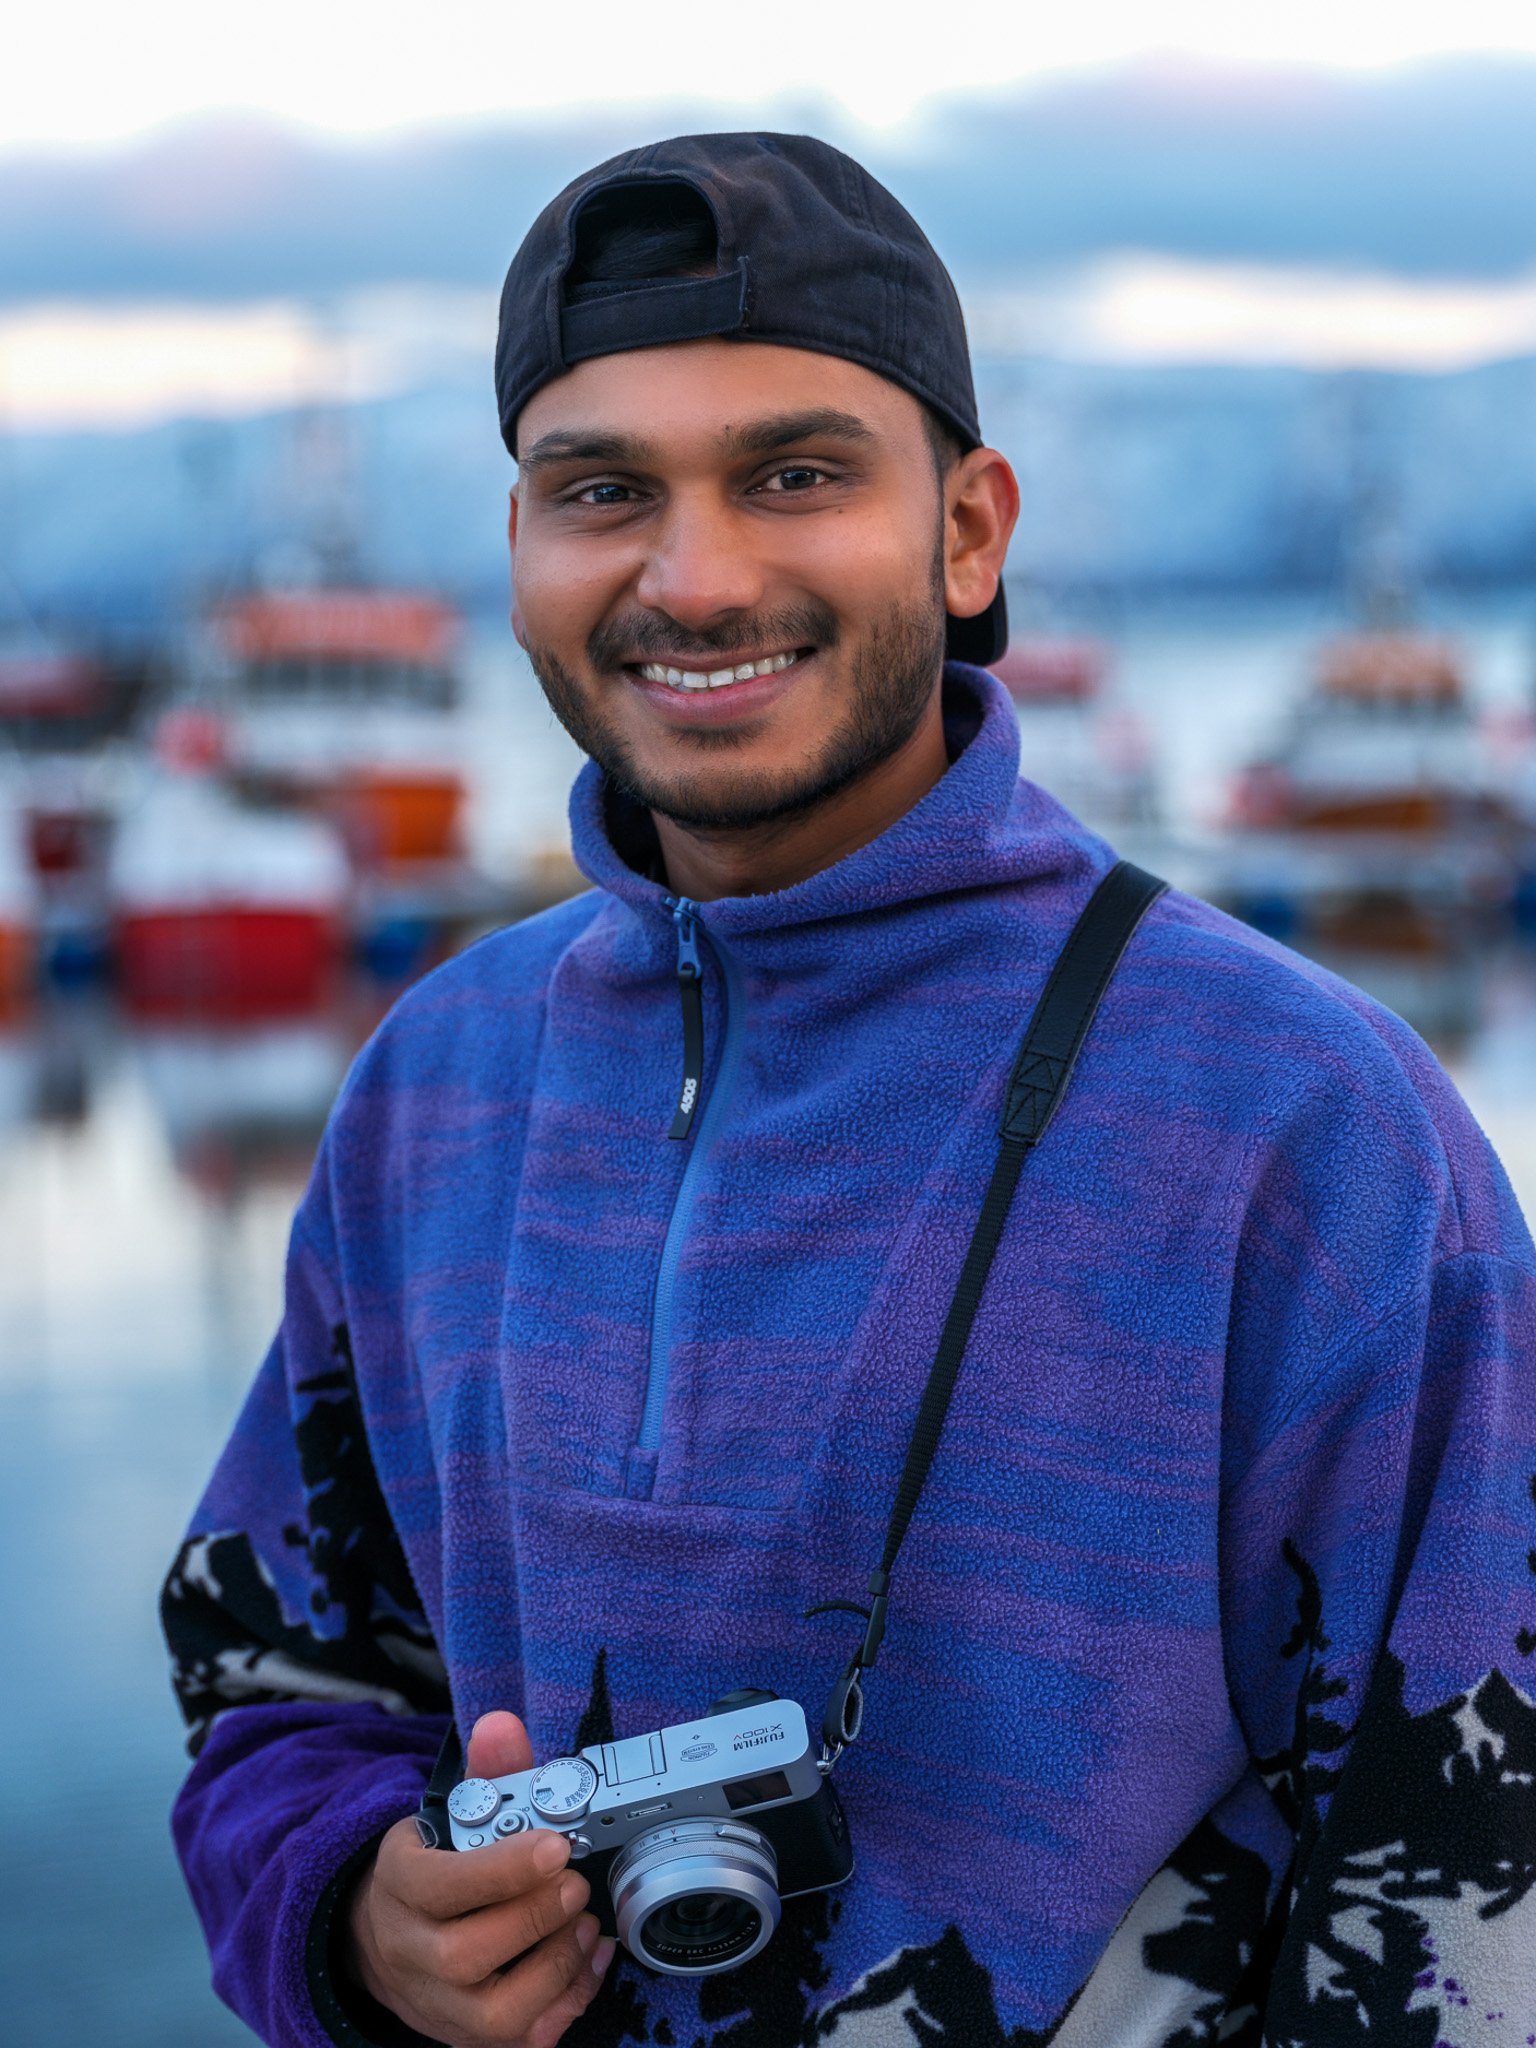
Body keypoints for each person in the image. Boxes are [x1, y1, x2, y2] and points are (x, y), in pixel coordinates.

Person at [163, 132, 1536, 2048]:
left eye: (796, 475)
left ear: (968, 532)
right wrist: (354, 1919)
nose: (694, 576)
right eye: (602, 490)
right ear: (523, 551)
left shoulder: (1313, 1133)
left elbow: (1472, 1885)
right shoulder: (433, 1091)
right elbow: (279, 1676)